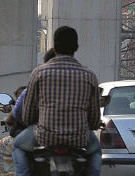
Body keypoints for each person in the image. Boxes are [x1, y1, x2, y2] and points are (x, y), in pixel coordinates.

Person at [12, 27, 101, 176]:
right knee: (96, 150)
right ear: (76, 48)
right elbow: (94, 119)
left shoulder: (39, 72)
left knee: (18, 146)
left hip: (44, 137)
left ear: (54, 48)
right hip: (79, 139)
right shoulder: (89, 75)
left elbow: (27, 116)